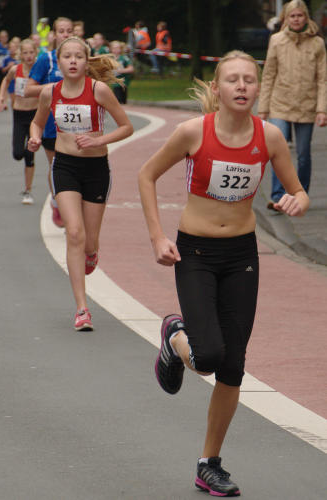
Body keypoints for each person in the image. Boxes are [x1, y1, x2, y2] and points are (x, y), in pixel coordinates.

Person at [138, 50, 309, 496]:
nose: (240, 86)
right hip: (193, 252)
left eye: (248, 80)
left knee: (233, 365)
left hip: (241, 255)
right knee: (208, 355)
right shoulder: (193, 132)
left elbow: (298, 191)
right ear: (216, 89)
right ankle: (176, 338)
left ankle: (208, 463)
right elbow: (146, 175)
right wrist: (158, 237)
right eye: (231, 79)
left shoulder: (269, 137)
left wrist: (297, 202)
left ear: (257, 88)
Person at [28, 36, 133, 331]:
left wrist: (99, 139)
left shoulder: (99, 90)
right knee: (74, 232)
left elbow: (127, 127)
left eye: (79, 56)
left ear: (87, 62)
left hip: (96, 168)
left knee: (89, 241)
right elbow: (37, 121)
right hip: (64, 166)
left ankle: (91, 252)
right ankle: (82, 309)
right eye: (67, 57)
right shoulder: (51, 92)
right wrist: (36, 137)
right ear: (58, 62)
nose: (73, 61)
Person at [258, 0, 326, 209]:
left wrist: (322, 109)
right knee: (279, 151)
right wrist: (263, 108)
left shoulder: (317, 43)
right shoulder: (277, 40)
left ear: (306, 17)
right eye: (292, 16)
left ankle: (299, 196)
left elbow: (322, 79)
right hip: (280, 103)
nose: (296, 19)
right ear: (285, 19)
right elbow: (269, 75)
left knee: (304, 154)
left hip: (306, 105)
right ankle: (278, 197)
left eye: (300, 16)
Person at [25, 17, 74, 227]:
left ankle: (70, 208)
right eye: (61, 31)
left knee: (75, 168)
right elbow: (28, 89)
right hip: (52, 127)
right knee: (58, 167)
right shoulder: (47, 59)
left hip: (77, 126)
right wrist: (54, 88)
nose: (65, 34)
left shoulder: (81, 58)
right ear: (54, 35)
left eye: (69, 31)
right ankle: (58, 203)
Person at [0, 38, 38, 205]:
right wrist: (2, 97)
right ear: (20, 54)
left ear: (36, 53)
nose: (28, 56)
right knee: (17, 154)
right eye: (25, 53)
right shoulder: (16, 69)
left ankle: (27, 191)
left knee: (29, 154)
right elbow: (5, 81)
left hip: (35, 115)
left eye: (31, 53)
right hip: (19, 114)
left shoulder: (39, 70)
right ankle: (27, 188)